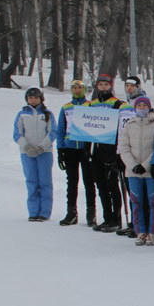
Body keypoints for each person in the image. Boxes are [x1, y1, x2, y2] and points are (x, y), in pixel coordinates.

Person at [86, 73, 126, 232]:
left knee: (112, 185)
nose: (103, 87)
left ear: (111, 86)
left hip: (111, 151)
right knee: (100, 185)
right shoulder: (92, 104)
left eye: (106, 84)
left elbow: (121, 129)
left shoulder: (117, 104)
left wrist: (118, 153)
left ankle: (116, 218)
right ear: (97, 86)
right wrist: (86, 149)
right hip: (96, 150)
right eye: (101, 84)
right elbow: (86, 128)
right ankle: (107, 217)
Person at [118, 95, 154, 245]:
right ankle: (140, 231)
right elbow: (123, 147)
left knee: (152, 201)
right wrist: (133, 165)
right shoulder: (130, 125)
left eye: (144, 105)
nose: (142, 108)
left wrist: (146, 165)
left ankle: (153, 231)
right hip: (133, 171)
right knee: (136, 201)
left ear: (149, 107)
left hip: (149, 171)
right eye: (139, 105)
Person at [56, 79, 97, 227]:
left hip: (85, 149)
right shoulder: (66, 107)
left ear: (84, 89)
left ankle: (91, 213)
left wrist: (91, 147)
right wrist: (60, 150)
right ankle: (71, 212)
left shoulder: (90, 105)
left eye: (80, 87)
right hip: (70, 148)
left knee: (89, 181)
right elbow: (60, 129)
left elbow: (96, 127)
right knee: (72, 181)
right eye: (74, 87)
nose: (77, 90)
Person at [14, 87, 55, 221]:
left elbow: (53, 132)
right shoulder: (22, 114)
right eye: (30, 97)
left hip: (44, 152)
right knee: (32, 182)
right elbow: (17, 134)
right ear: (27, 99)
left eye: (36, 97)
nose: (33, 100)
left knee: (45, 182)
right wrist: (26, 147)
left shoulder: (47, 113)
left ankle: (44, 212)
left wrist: (42, 147)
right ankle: (33, 211)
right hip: (27, 153)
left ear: (40, 99)